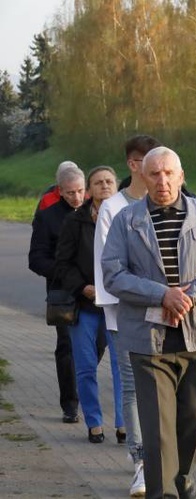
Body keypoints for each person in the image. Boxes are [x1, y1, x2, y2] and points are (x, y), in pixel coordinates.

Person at [102, 146, 196, 498]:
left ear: (181, 175)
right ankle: (164, 492)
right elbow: (113, 275)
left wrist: (188, 294)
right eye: (154, 174)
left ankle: (184, 476)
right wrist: (162, 294)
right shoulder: (126, 221)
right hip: (148, 342)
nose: (162, 181)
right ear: (142, 178)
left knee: (195, 420)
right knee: (158, 431)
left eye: (169, 173)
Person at [93, 134, 162, 497]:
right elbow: (109, 268)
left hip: (167, 314)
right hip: (125, 316)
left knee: (166, 388)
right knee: (134, 388)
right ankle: (141, 463)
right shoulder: (113, 208)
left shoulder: (167, 203)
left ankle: (166, 459)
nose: (158, 174)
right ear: (134, 165)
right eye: (149, 164)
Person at [55, 166, 124, 444]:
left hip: (118, 305)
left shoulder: (126, 216)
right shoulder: (75, 221)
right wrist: (84, 287)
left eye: (109, 181)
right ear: (89, 190)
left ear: (116, 186)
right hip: (86, 305)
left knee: (122, 366)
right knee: (85, 366)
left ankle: (123, 423)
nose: (104, 186)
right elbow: (63, 263)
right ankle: (94, 422)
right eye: (98, 182)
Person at [29, 164, 90, 424]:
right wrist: (64, 273)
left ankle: (84, 385)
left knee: (94, 346)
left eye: (80, 191)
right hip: (63, 294)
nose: (76, 197)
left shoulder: (97, 213)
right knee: (66, 346)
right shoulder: (48, 217)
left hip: (94, 292)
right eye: (70, 193)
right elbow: (36, 259)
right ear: (59, 191)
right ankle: (70, 404)